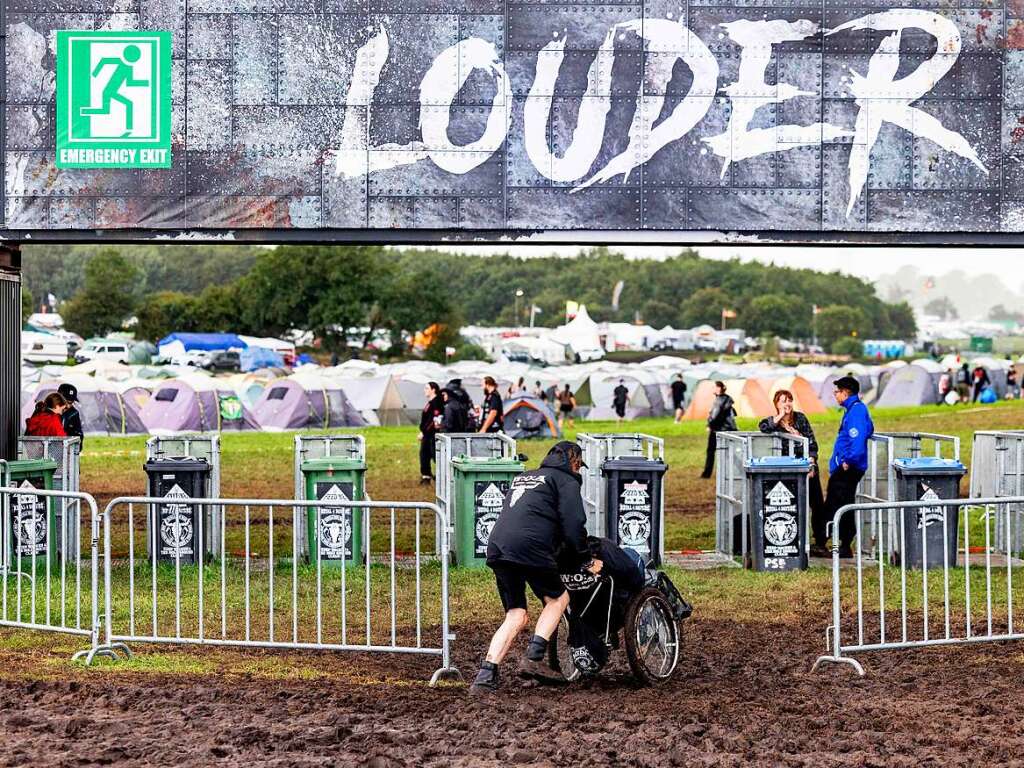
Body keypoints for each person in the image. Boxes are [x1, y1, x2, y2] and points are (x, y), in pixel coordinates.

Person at [469, 442, 600, 695]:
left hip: (498, 546)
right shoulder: (565, 480)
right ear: (574, 462)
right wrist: (584, 558)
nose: (579, 471)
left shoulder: (525, 477)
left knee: (516, 614)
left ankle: (485, 676)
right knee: (558, 598)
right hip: (530, 546)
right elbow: (573, 524)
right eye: (578, 466)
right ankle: (534, 655)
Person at [758, 390, 826, 556]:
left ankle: (820, 541)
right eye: (782, 401)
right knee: (791, 505)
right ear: (776, 404)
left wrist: (812, 464)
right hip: (787, 472)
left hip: (807, 468)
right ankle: (792, 540)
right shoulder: (774, 422)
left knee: (817, 504)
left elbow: (812, 443)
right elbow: (763, 427)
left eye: (789, 400)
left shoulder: (800, 418)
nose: (787, 403)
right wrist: (781, 415)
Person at [823, 376, 874, 558]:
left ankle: (843, 545)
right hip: (845, 465)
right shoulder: (853, 409)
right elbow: (871, 429)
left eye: (837, 392)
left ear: (845, 392)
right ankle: (838, 542)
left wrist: (848, 461)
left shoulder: (856, 412)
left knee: (840, 504)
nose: (835, 395)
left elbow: (858, 439)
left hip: (848, 467)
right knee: (837, 502)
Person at [700, 381, 736, 479]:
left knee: (711, 451)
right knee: (730, 452)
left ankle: (706, 473)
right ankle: (732, 472)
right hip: (730, 429)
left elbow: (716, 414)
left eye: (714, 387)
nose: (713, 389)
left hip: (718, 429)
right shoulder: (727, 399)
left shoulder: (719, 400)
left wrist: (710, 425)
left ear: (719, 388)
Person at [417, 382, 444, 485]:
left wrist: (424, 432)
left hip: (432, 434)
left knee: (434, 455)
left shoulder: (436, 402)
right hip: (427, 434)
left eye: (427, 388)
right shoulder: (430, 402)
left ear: (433, 390)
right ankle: (426, 476)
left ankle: (443, 475)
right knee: (424, 454)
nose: (425, 390)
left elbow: (434, 420)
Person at [57, 383, 84, 447]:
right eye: (66, 402)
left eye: (71, 403)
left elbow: (79, 434)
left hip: (68, 449)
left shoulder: (74, 413)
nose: (68, 406)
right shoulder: (48, 412)